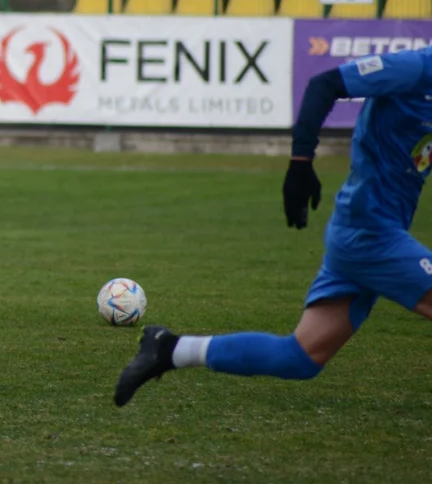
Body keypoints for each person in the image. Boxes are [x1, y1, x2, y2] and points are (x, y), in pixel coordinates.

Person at [114, 48, 432, 406]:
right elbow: (324, 84)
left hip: (365, 233)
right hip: (370, 232)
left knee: (300, 357)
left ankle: (171, 350)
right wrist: (300, 162)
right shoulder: (417, 67)